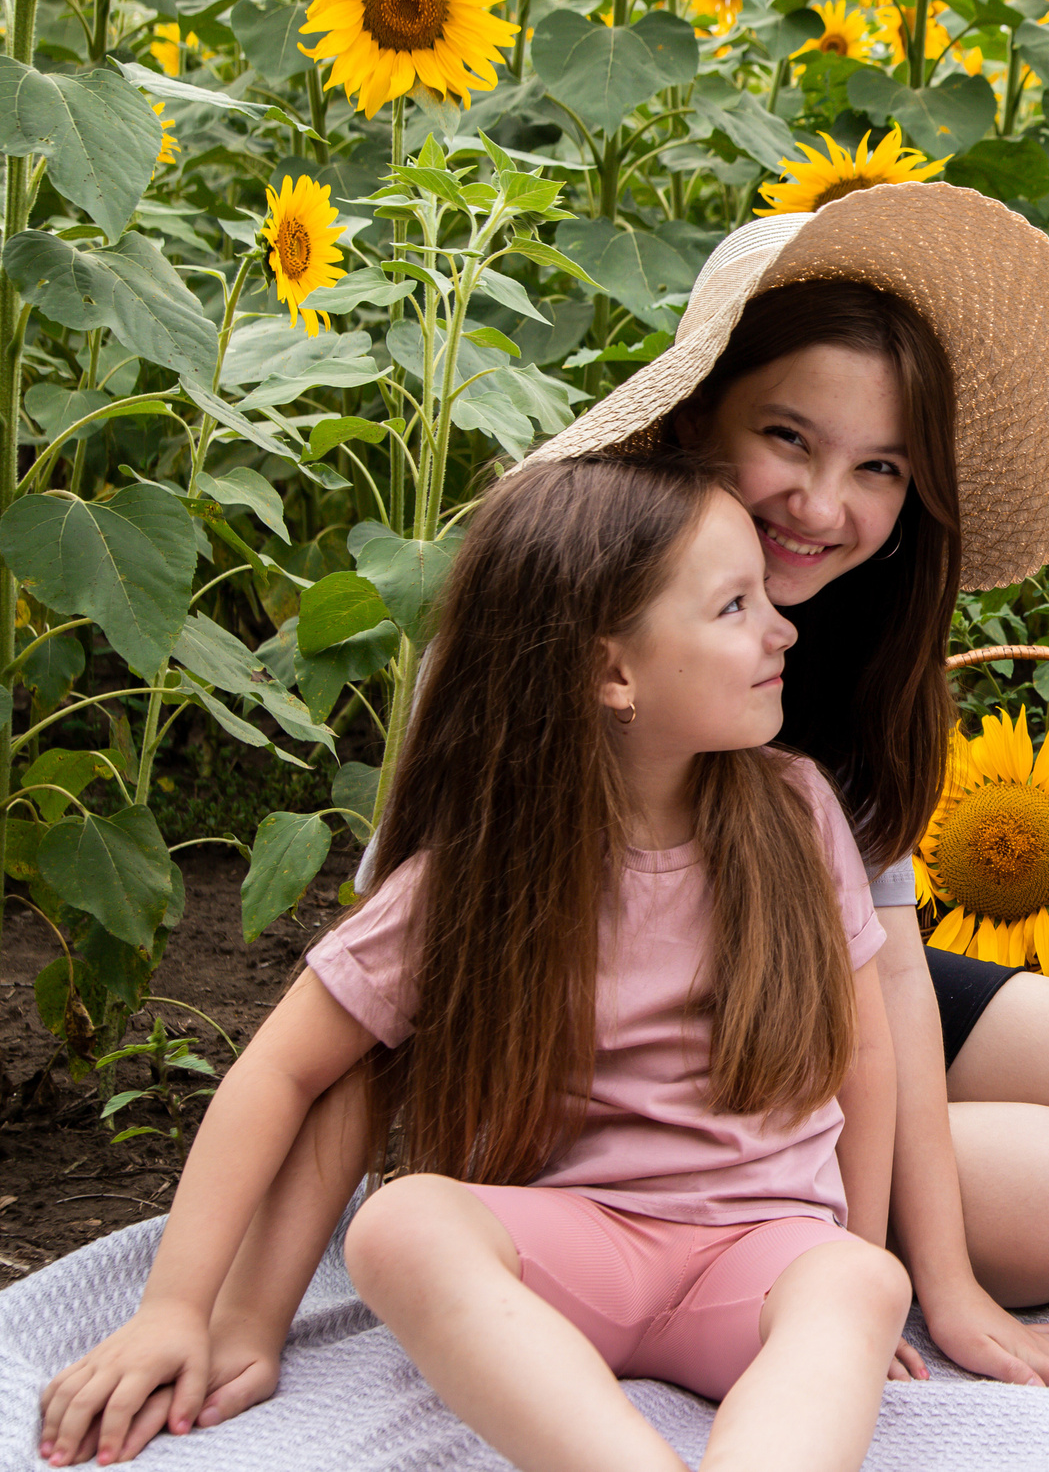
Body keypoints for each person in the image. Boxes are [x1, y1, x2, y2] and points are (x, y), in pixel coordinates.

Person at [74, 188, 1049, 1454]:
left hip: (780, 999)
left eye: (881, 467)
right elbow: (362, 1036)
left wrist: (925, 1278)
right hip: (579, 1029)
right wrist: (237, 1315)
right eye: (787, 438)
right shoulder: (542, 632)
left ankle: (778, 1184)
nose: (821, 507)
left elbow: (882, 994)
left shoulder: (832, 688)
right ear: (693, 419)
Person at [40, 456, 912, 1470]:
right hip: (569, 1253)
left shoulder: (796, 812)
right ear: (612, 673)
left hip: (761, 1251)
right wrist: (177, 1310)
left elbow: (865, 1059)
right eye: (735, 605)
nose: (782, 628)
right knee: (400, 1225)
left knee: (860, 1285)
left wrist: (854, 1262)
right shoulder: (481, 874)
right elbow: (281, 1069)